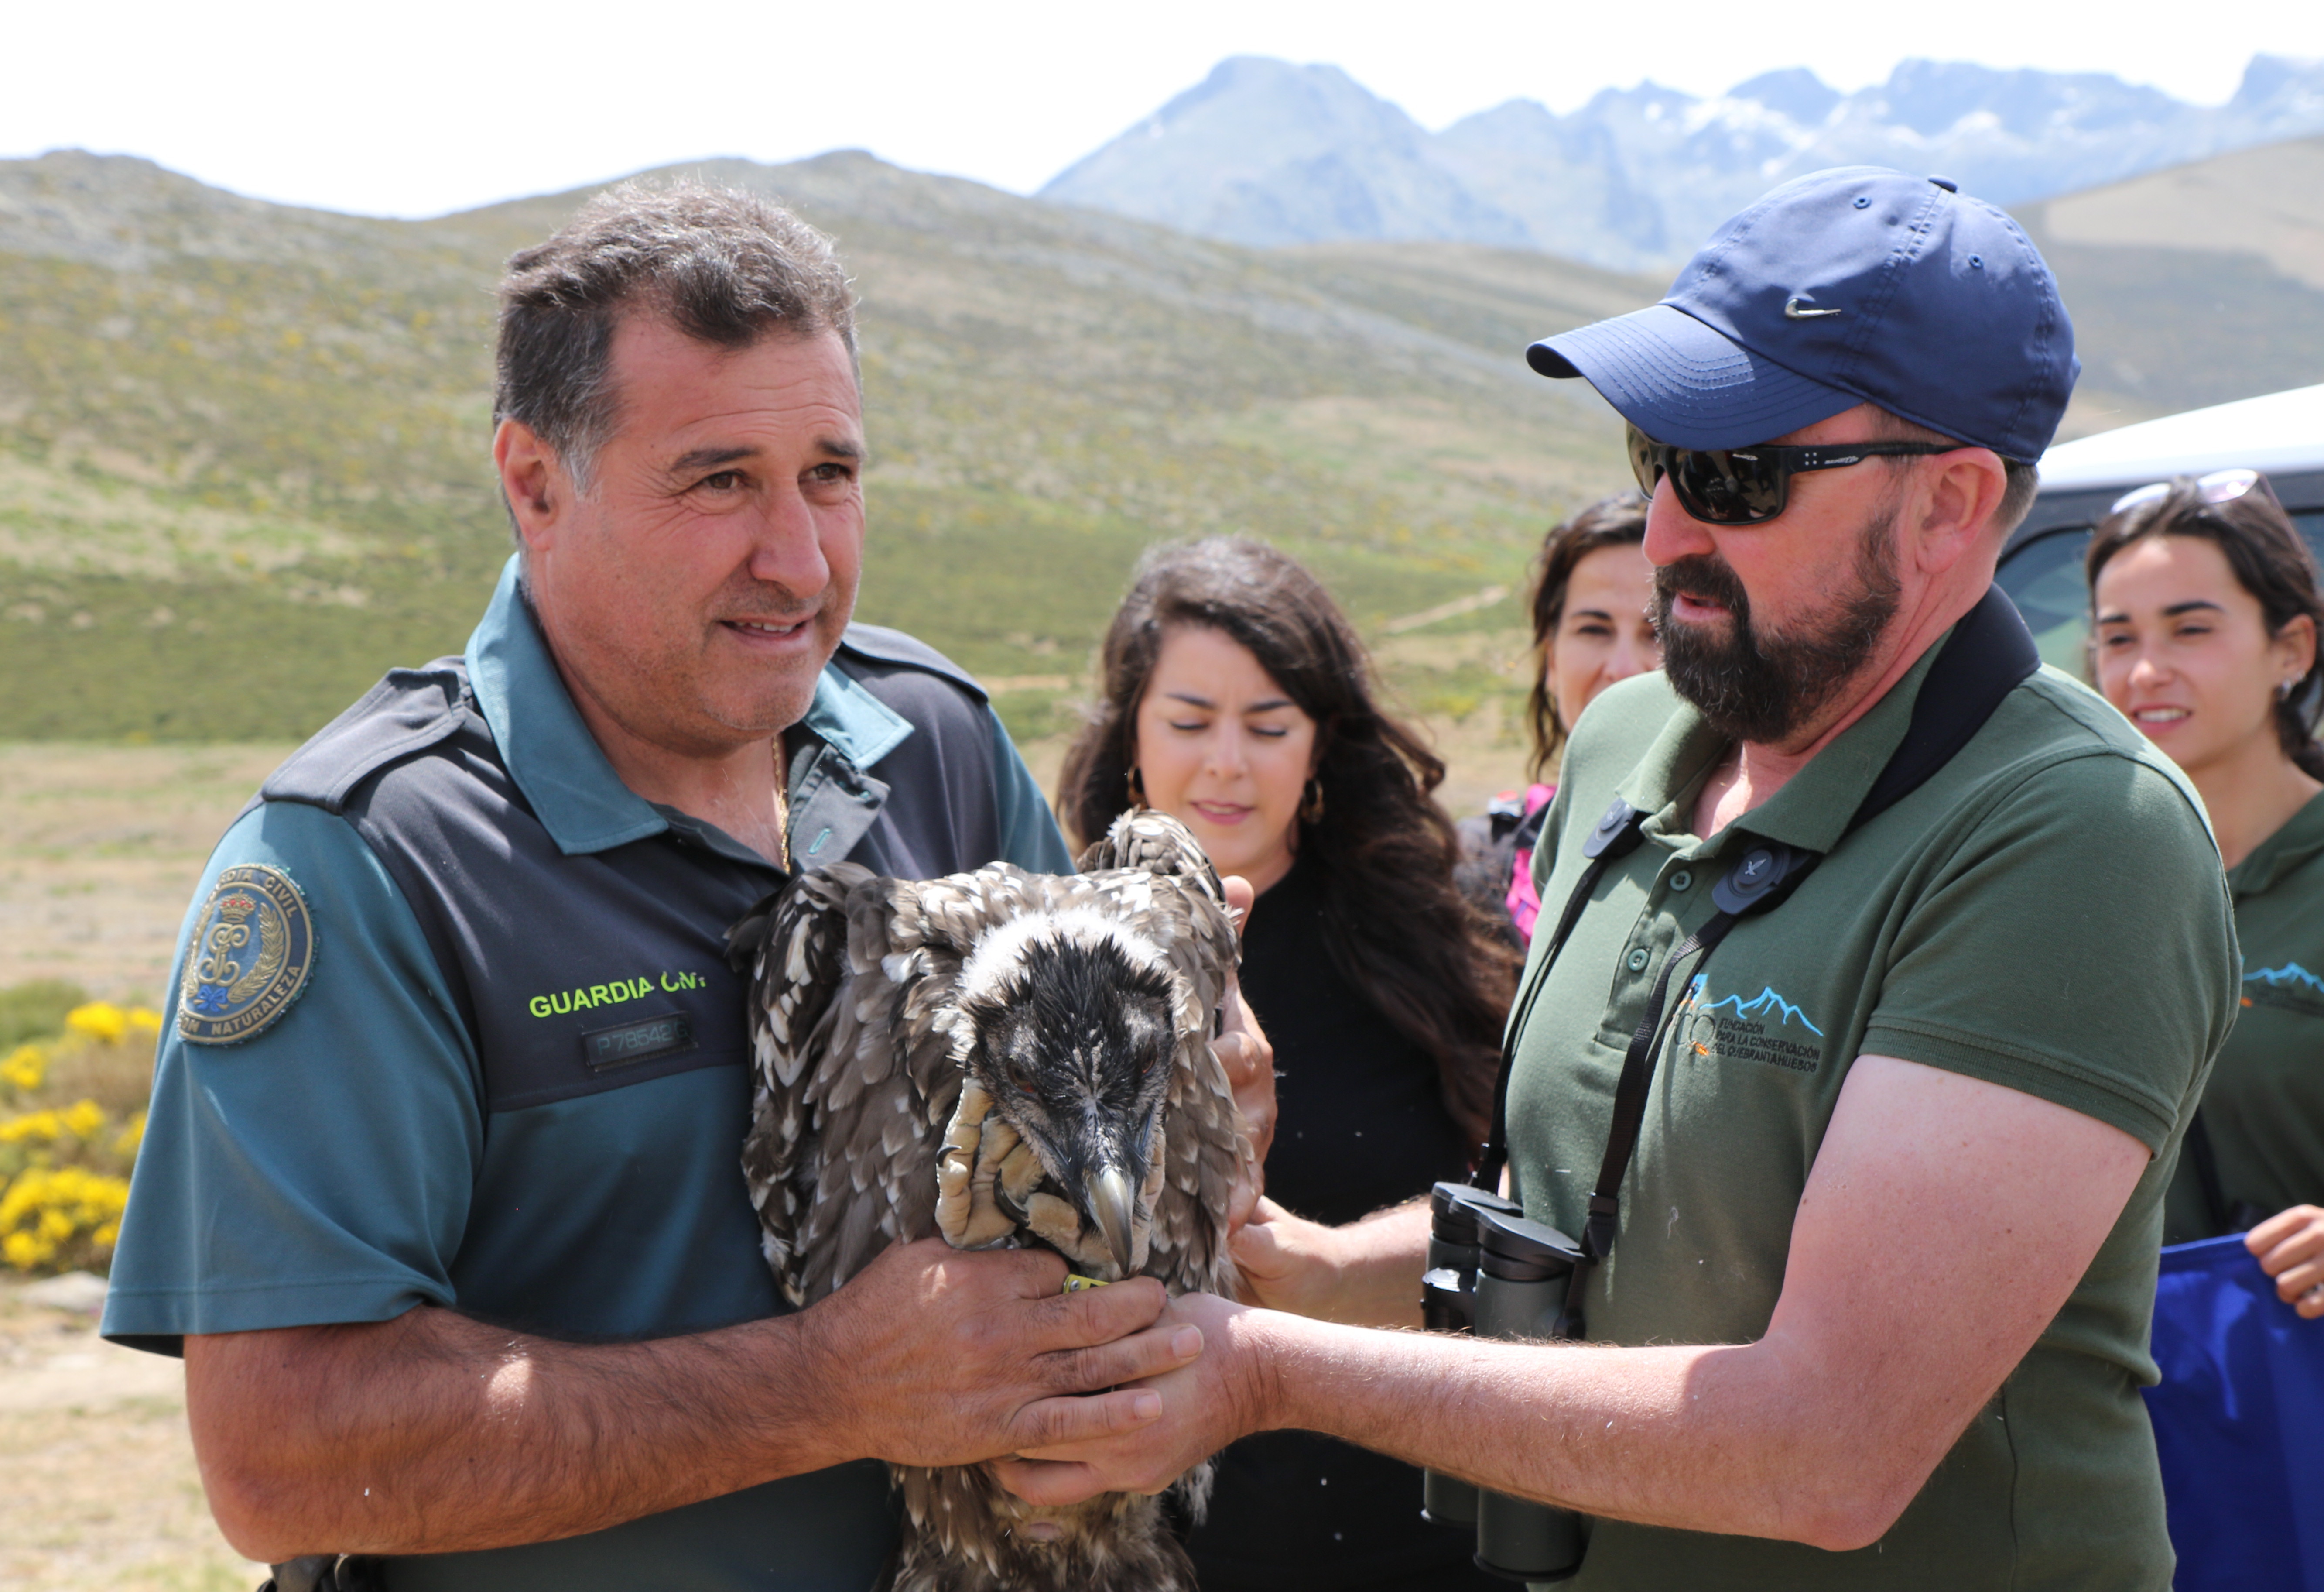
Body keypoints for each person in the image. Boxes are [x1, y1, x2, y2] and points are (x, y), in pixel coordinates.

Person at [995, 167, 2240, 1591]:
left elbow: (1820, 1446)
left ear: (1948, 505)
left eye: (1732, 475)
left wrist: (1268, 1372)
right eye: (1657, 453)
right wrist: (1298, 1262)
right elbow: (1580, 1205)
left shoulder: (2073, 836)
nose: (1661, 533)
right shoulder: (1632, 744)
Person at [99, 183, 1270, 1590]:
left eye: (830, 474)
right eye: (719, 480)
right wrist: (823, 1387)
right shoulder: (370, 861)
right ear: (536, 482)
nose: (799, 560)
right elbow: (282, 1461)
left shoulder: (938, 748)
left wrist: (1187, 1128)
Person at [1057, 538, 1516, 1592]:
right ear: (1128, 734)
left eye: (1268, 727)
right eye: (1188, 722)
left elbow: (1522, 1196)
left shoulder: (1445, 945)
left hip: (1435, 1538)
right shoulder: (1050, 963)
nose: (1226, 762)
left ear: (1320, 746)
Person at [2088, 471, 2324, 1309]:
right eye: (2117, 639)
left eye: (2189, 629)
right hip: (2119, 1406)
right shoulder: (2073, 882)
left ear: (2290, 650)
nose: (2146, 670)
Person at [1455, 493, 1657, 946]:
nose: (1623, 668)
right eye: (1594, 629)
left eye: (1660, 631)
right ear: (1551, 660)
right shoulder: (1471, 867)